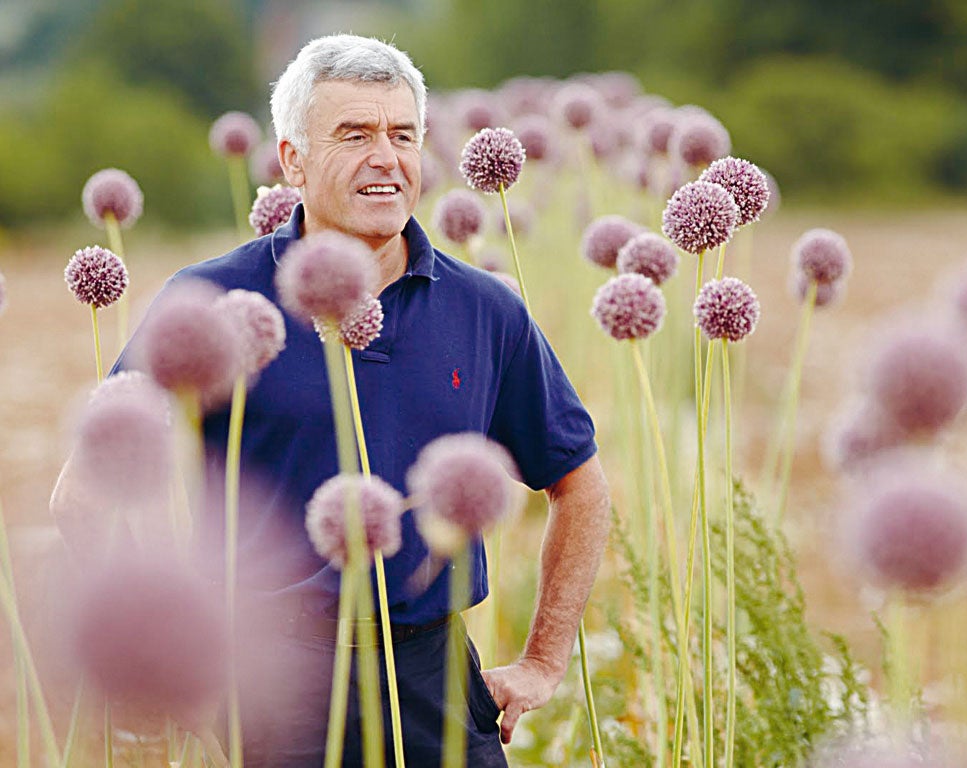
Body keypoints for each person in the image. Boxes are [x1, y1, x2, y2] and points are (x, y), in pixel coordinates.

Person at [55, 33, 611, 767]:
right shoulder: (214, 300)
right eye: (355, 134)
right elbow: (84, 497)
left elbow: (580, 484)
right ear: (293, 159)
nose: (387, 156)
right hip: (275, 684)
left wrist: (543, 660)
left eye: (402, 134)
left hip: (435, 681)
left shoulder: (486, 310)